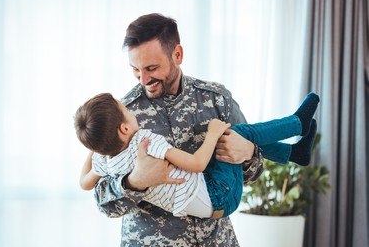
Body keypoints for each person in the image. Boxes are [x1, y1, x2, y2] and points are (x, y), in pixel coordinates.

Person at [81, 13, 264, 247]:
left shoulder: (217, 99)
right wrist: (134, 182)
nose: (144, 79)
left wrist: (249, 154)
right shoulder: (122, 117)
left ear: (177, 54)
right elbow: (104, 204)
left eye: (151, 68)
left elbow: (255, 173)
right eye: (135, 69)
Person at [75, 92, 319, 219]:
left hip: (209, 200)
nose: (129, 108)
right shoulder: (145, 142)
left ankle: (294, 151)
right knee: (238, 131)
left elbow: (84, 183)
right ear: (124, 128)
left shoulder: (105, 160)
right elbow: (198, 164)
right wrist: (212, 134)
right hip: (218, 197)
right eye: (124, 109)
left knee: (239, 138)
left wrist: (96, 143)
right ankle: (297, 124)